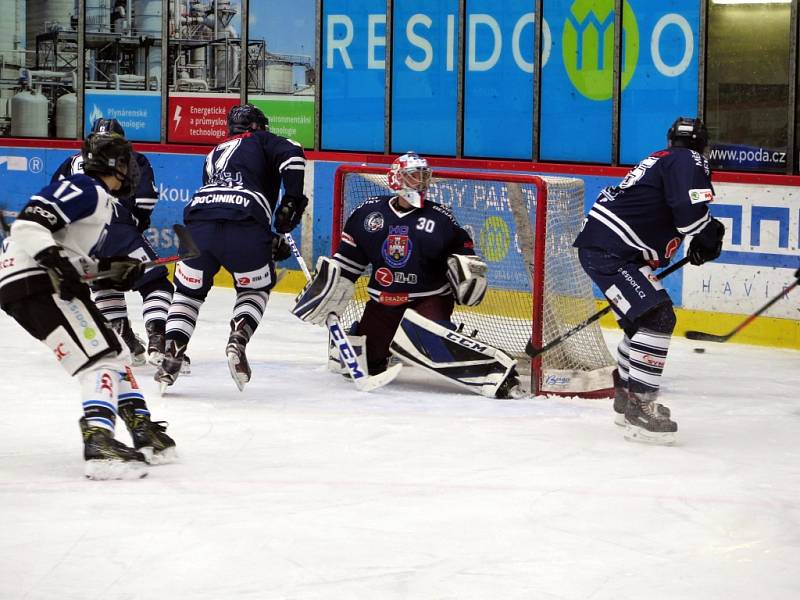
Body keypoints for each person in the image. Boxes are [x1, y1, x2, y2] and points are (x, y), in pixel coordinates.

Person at [0, 132, 177, 479]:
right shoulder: (87, 189)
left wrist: (111, 272)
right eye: (126, 163)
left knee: (117, 351)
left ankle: (141, 427)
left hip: (34, 282)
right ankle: (99, 441)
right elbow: (28, 225)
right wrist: (57, 264)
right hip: (37, 283)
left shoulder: (100, 200)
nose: (131, 170)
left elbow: (69, 253)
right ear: (114, 165)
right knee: (100, 360)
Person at [291, 152, 522, 398]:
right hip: (383, 302)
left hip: (427, 299)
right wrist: (327, 287)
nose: (420, 183)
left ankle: (497, 372)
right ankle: (356, 334)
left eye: (424, 177)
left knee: (427, 341)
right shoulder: (368, 214)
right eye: (414, 177)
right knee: (364, 363)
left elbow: (462, 252)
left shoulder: (440, 218)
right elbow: (348, 262)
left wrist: (467, 272)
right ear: (395, 179)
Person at [573, 116, 725, 445]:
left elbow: (669, 211)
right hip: (611, 251)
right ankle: (640, 405)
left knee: (640, 325)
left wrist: (701, 237)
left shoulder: (663, 159)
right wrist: (706, 233)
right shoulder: (690, 159)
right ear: (703, 146)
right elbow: (688, 210)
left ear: (672, 141)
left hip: (607, 247)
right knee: (658, 317)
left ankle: (626, 398)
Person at [154, 104, 305, 392]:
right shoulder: (261, 139)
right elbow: (294, 155)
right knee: (253, 289)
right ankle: (238, 336)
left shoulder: (213, 154)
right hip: (244, 224)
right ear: (259, 126)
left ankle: (172, 352)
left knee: (187, 294)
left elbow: (220, 204)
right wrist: (293, 200)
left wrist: (267, 235)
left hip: (197, 223)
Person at [52, 118, 176, 368]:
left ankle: (126, 340)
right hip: (115, 224)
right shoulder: (131, 158)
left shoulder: (71, 162)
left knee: (103, 284)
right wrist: (135, 226)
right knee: (155, 282)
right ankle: (157, 338)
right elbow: (145, 201)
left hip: (77, 238)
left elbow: (54, 199)